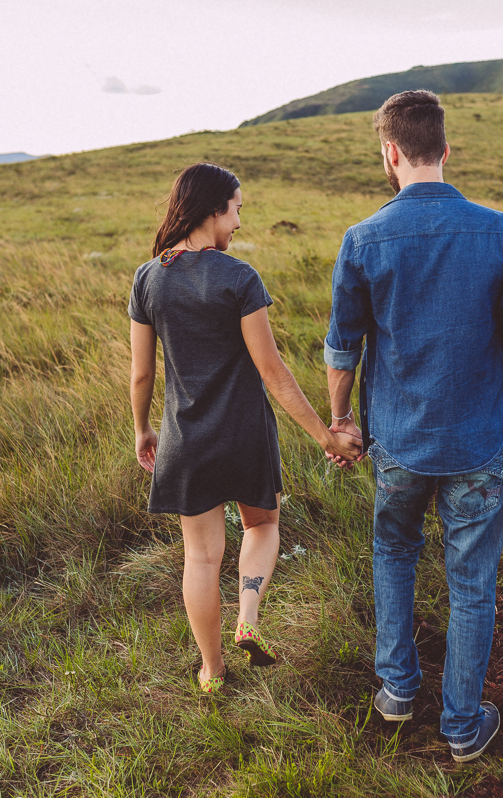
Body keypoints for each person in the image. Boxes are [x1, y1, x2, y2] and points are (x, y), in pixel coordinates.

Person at [322, 91, 503, 762]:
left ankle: (396, 691)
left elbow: (344, 352)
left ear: (390, 153)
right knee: (472, 582)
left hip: (397, 440)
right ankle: (461, 726)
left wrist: (342, 422)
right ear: (446, 152)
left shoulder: (362, 239)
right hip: (480, 442)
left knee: (395, 552)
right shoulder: (499, 229)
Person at [129, 162, 362, 693]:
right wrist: (327, 437)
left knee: (200, 556)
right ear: (213, 210)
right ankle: (249, 618)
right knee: (261, 526)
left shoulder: (148, 278)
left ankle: (210, 670)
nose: (239, 222)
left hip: (183, 440)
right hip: (244, 434)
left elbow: (142, 372)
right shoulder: (239, 279)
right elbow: (272, 371)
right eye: (236, 210)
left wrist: (143, 429)